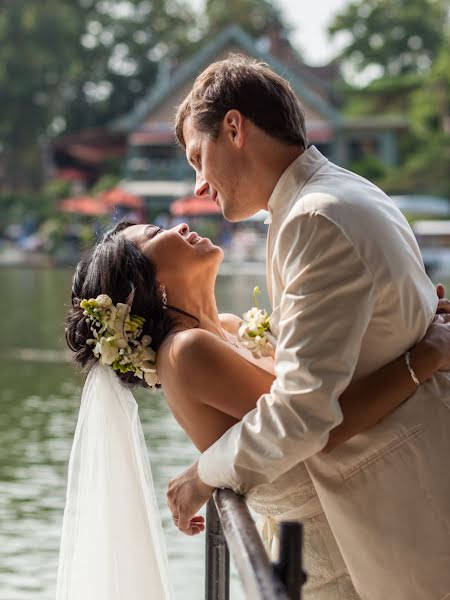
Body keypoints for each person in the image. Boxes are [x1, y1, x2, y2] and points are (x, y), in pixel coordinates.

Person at [166, 54, 450, 599]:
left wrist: (204, 475)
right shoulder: (344, 192)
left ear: (234, 126)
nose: (199, 184)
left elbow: (301, 410)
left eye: (198, 157)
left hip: (412, 506)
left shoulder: (314, 219)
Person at [61, 220, 450, 599]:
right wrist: (427, 353)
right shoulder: (186, 351)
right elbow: (320, 420)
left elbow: (328, 386)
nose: (178, 226)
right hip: (337, 559)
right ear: (142, 285)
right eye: (155, 235)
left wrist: (412, 328)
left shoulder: (229, 329)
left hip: (375, 520)